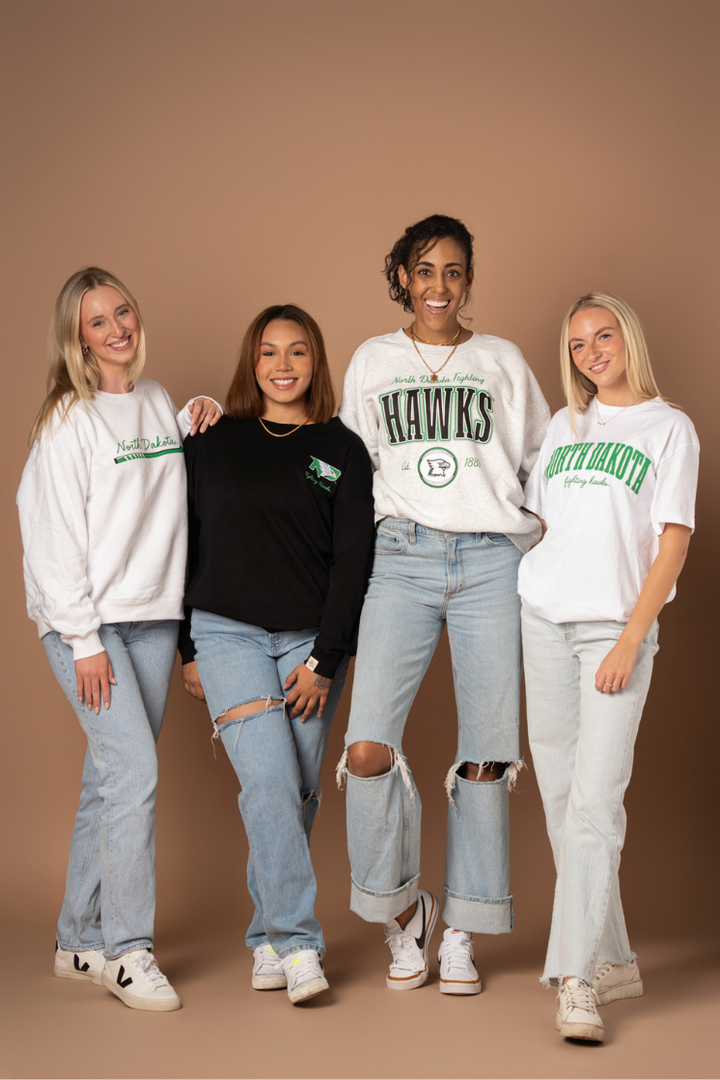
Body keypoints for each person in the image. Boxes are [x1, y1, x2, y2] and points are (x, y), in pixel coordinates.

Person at [335, 214, 550, 994]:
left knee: (488, 755)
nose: (438, 286)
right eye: (424, 271)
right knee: (366, 750)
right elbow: (343, 470)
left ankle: (461, 927)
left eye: (453, 271)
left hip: (492, 562)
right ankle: (404, 916)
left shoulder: (501, 360)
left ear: (469, 279)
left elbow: (543, 460)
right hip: (402, 558)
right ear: (403, 276)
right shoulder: (373, 361)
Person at [17, 267, 222, 1012]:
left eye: (124, 312)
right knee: (134, 773)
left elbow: (167, 482)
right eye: (98, 321)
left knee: (109, 781)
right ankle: (127, 950)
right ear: (78, 337)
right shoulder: (66, 419)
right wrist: (82, 640)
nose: (117, 329)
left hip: (153, 616)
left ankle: (77, 937)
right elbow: (48, 536)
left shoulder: (157, 400)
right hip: (90, 625)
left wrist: (203, 410)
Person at [180, 304, 375, 1005]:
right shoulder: (211, 437)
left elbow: (353, 562)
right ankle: (297, 944)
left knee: (296, 791)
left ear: (315, 363)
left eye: (298, 353)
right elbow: (183, 542)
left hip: (309, 640)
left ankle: (263, 933)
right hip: (225, 630)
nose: (283, 366)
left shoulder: (341, 449)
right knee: (266, 782)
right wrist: (185, 646)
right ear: (251, 362)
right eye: (269, 353)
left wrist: (326, 660)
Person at [518, 292, 699, 1042]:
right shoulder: (565, 426)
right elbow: (543, 523)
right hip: (542, 623)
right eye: (579, 344)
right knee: (564, 803)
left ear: (628, 336)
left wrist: (632, 636)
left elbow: (674, 541)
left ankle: (575, 978)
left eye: (604, 335)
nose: (592, 351)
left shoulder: (670, 427)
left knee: (597, 803)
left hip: (613, 634)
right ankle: (615, 958)